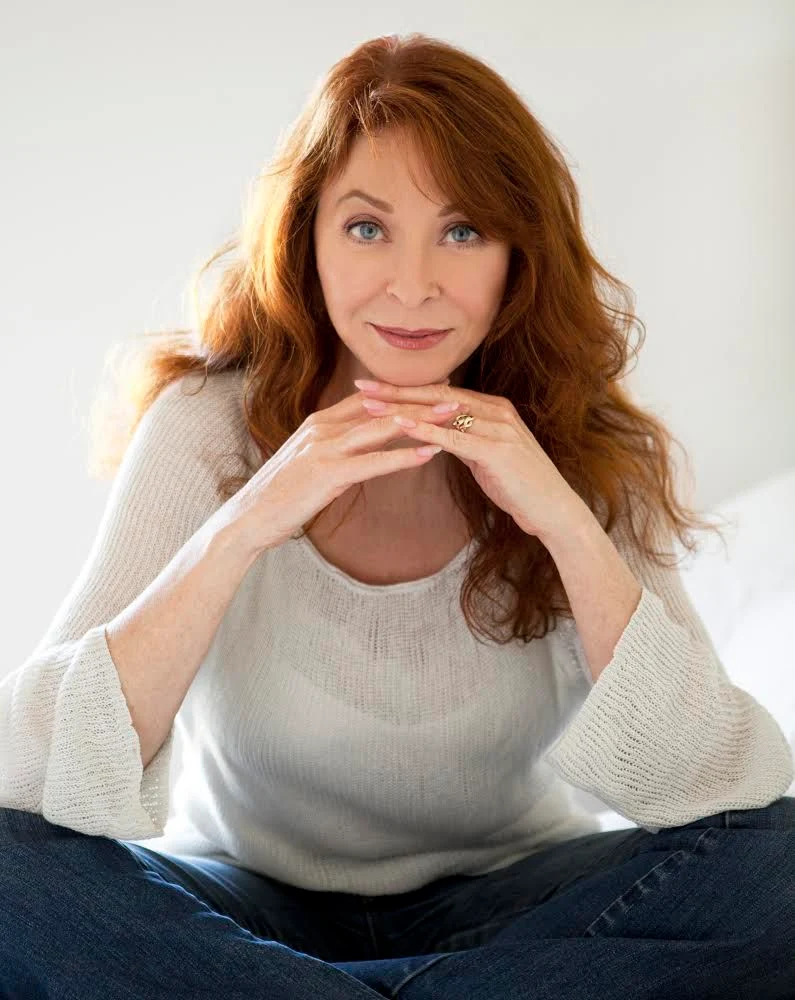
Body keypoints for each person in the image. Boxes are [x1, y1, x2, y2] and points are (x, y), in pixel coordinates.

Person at [1, 31, 793, 1000]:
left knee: (781, 862)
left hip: (513, 901)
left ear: (517, 257)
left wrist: (564, 522)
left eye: (462, 232)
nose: (413, 286)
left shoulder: (580, 445)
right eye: (367, 228)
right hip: (246, 909)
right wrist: (245, 523)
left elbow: (721, 781)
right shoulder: (208, 424)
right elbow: (27, 773)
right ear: (306, 238)